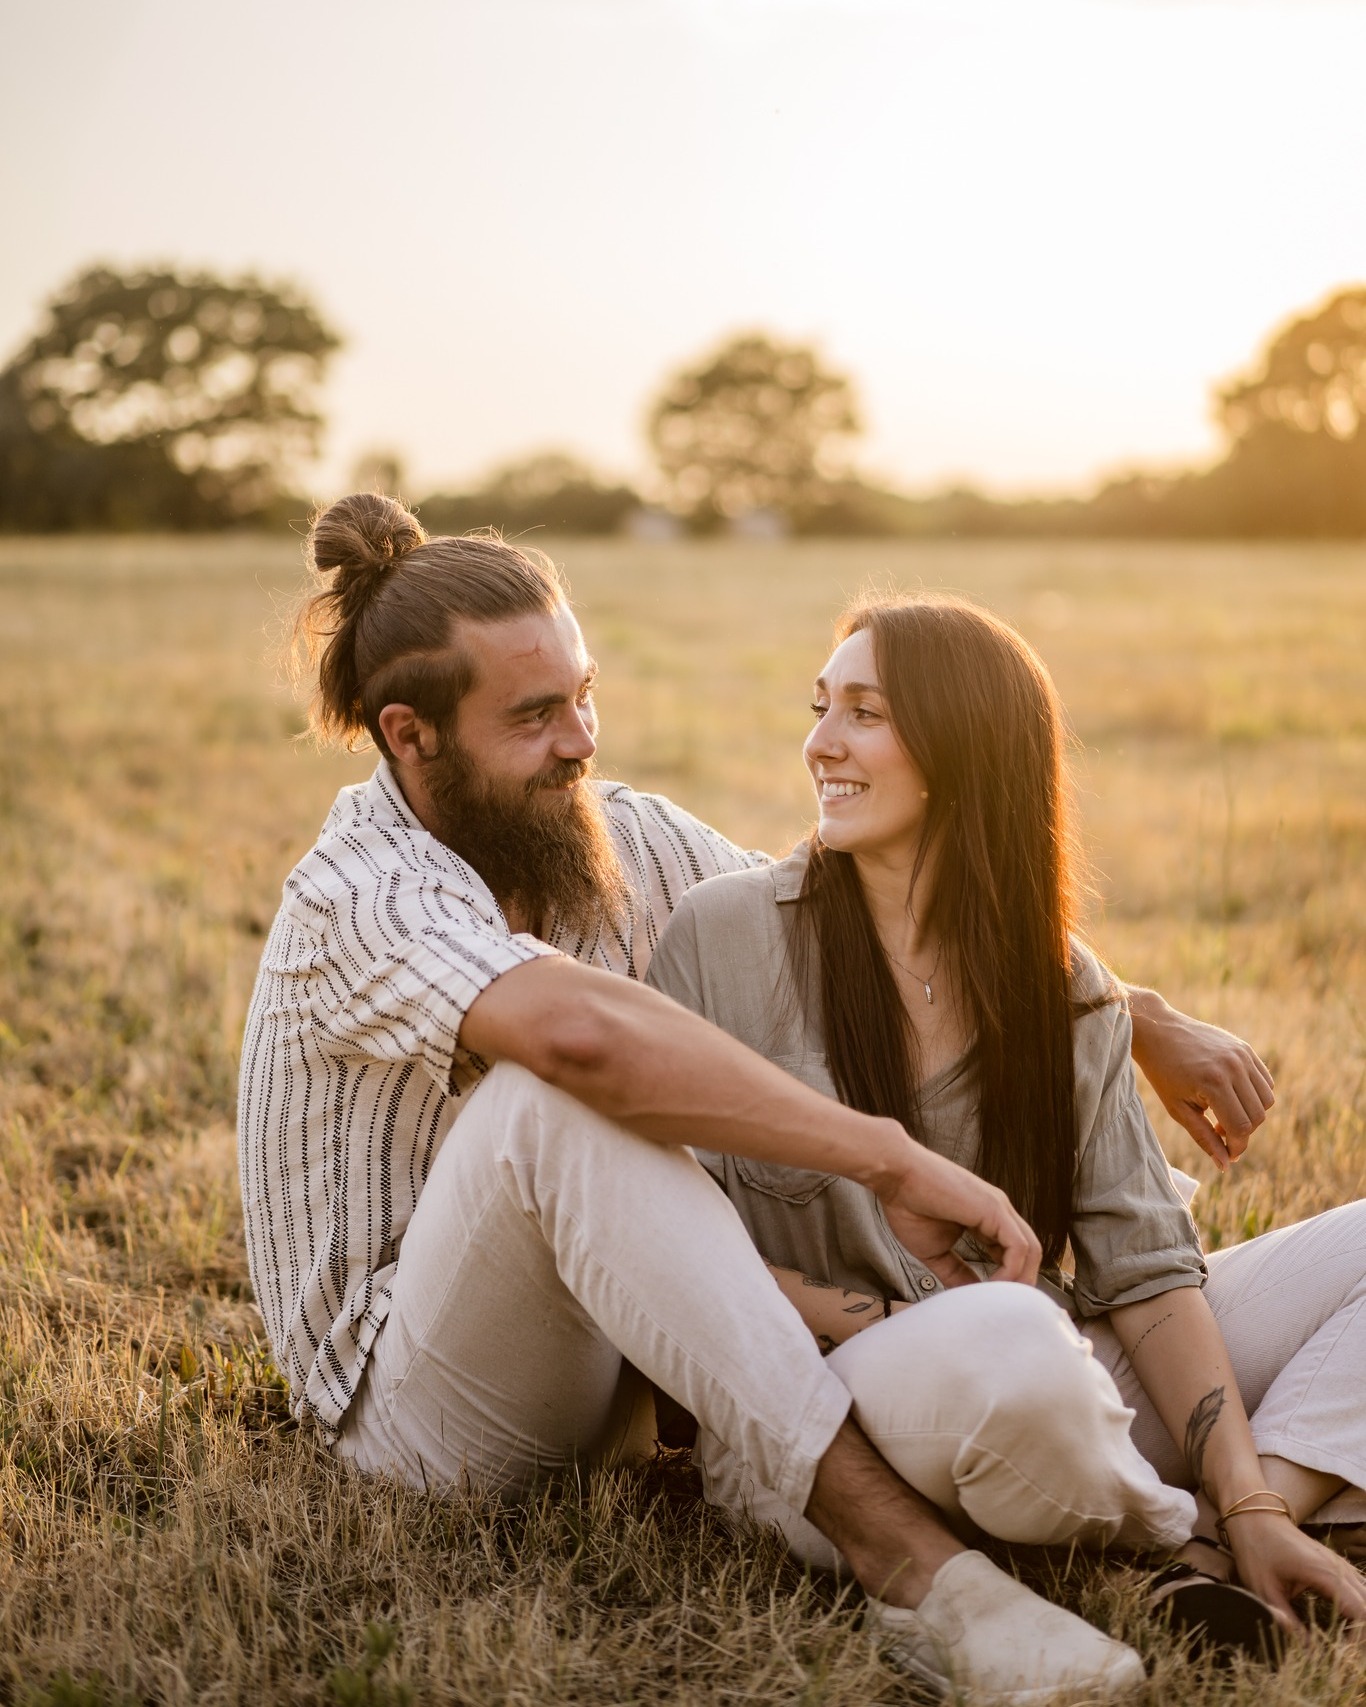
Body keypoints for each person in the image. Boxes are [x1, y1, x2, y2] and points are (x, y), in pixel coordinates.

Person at [241, 495, 1276, 1703]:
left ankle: (1240, 1502)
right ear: (410, 737)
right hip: (415, 1407)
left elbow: (867, 910)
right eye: (533, 717)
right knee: (554, 1097)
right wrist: (889, 1160)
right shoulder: (356, 894)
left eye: (584, 694)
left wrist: (1136, 1015)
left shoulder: (609, 833)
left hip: (616, 1376)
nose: (579, 740)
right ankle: (925, 1575)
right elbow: (577, 1036)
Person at [644, 592, 1366, 1672]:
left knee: (1049, 1344)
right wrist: (895, 1314)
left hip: (1058, 1381)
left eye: (863, 713)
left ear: (962, 748)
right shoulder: (725, 937)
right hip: (834, 1426)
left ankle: (1248, 1526)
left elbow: (1150, 1275)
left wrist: (1248, 1490)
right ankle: (1181, 1524)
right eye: (820, 706)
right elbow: (668, 1244)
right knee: (1016, 1343)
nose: (820, 744)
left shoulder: (1061, 983)